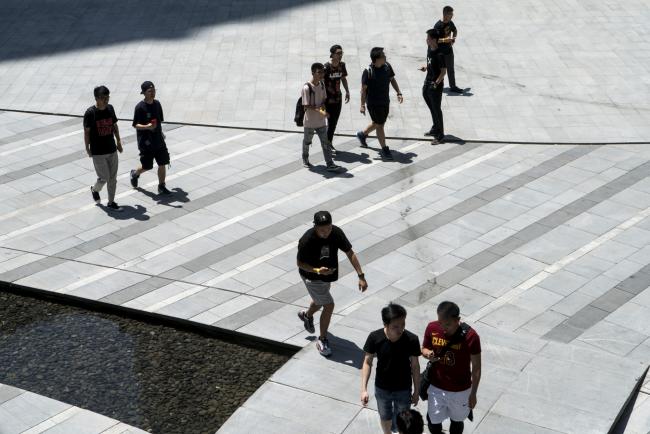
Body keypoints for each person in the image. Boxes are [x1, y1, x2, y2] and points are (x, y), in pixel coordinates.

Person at [297, 211, 367, 356]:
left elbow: (350, 252)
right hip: (312, 276)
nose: (326, 232)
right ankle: (322, 340)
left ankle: (307, 315)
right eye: (322, 230)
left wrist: (361, 275)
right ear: (315, 227)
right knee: (329, 305)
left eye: (328, 228)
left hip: (328, 275)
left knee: (320, 301)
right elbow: (300, 263)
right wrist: (317, 270)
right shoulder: (307, 239)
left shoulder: (336, 233)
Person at [421, 301, 481, 434]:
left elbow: (476, 367)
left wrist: (474, 393)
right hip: (436, 386)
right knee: (433, 420)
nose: (443, 328)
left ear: (457, 320)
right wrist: (427, 354)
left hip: (460, 390)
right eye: (440, 322)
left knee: (457, 420)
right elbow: (424, 348)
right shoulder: (432, 328)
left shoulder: (471, 337)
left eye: (447, 324)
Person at [361, 303, 421, 434]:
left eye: (403, 324)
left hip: (403, 389)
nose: (400, 329)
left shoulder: (411, 339)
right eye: (396, 326)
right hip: (382, 388)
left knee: (403, 420)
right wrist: (364, 389)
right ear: (385, 324)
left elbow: (415, 367)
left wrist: (417, 390)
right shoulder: (374, 337)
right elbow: (367, 362)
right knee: (385, 416)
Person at [356, 47, 404, 161]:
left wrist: (399, 92)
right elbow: (363, 90)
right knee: (380, 125)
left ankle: (362, 134)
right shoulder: (368, 71)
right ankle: (385, 149)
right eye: (383, 56)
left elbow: (392, 79)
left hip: (385, 101)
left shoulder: (387, 66)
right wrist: (362, 105)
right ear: (377, 59)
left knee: (377, 123)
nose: (385, 57)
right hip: (373, 103)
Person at [83, 85, 123, 211]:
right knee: (105, 177)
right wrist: (87, 148)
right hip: (98, 152)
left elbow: (114, 125)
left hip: (111, 149)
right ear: (96, 98)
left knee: (113, 178)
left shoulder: (110, 109)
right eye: (103, 98)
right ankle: (95, 189)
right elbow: (87, 132)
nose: (106, 100)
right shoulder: (90, 113)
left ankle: (111, 202)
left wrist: (119, 141)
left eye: (107, 97)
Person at [130, 81, 172, 195]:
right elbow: (135, 125)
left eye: (154, 90)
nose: (153, 93)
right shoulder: (140, 107)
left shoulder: (157, 104)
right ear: (143, 93)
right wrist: (147, 127)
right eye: (150, 91)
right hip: (146, 142)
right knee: (147, 166)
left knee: (163, 162)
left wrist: (161, 133)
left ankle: (161, 186)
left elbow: (159, 121)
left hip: (158, 139)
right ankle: (135, 174)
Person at [301, 63, 343, 172]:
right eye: (319, 72)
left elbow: (323, 100)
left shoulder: (322, 84)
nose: (321, 74)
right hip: (310, 122)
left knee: (326, 143)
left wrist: (323, 109)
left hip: (321, 122)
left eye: (323, 72)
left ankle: (330, 164)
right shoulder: (307, 88)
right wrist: (321, 111)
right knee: (307, 142)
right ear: (313, 73)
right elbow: (306, 105)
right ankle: (305, 158)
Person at [419, 28, 447, 144]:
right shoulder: (429, 48)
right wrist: (426, 67)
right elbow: (430, 62)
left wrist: (436, 83)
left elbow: (443, 71)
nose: (427, 40)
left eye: (429, 39)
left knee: (436, 109)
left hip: (435, 85)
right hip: (427, 81)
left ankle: (440, 135)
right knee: (430, 104)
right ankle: (435, 127)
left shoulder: (440, 54)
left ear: (434, 40)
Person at [323, 45, 350, 152]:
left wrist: (347, 91)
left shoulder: (342, 65)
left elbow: (343, 78)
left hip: (338, 98)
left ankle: (328, 142)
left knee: (334, 122)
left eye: (341, 53)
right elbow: (321, 82)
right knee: (329, 120)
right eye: (338, 53)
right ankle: (326, 142)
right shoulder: (326, 67)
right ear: (332, 54)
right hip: (327, 99)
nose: (340, 55)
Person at [434, 6, 463, 93]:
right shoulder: (438, 25)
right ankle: (436, 85)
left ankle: (453, 86)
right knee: (439, 71)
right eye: (450, 14)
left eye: (452, 14)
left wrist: (453, 38)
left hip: (449, 50)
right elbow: (434, 40)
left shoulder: (450, 23)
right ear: (445, 14)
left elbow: (455, 30)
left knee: (450, 69)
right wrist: (445, 40)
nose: (452, 15)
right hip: (439, 52)